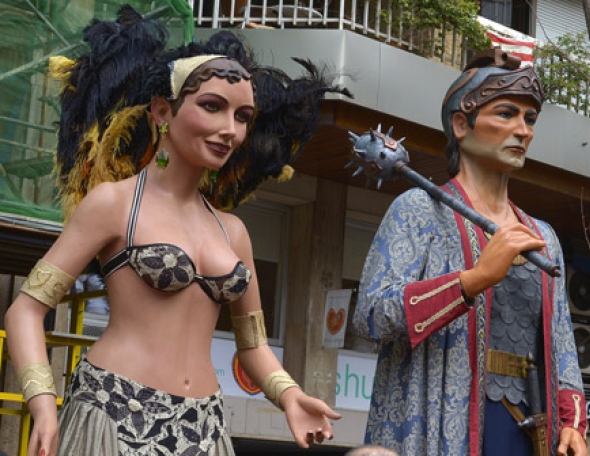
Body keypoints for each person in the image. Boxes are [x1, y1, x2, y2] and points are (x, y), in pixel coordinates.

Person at [5, 6, 350, 456]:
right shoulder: (115, 204)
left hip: (203, 427)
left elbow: (254, 347)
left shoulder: (234, 232)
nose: (230, 129)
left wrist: (289, 394)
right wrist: (44, 403)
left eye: (243, 116)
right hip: (112, 416)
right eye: (212, 107)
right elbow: (25, 310)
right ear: (163, 111)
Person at [352, 48, 588, 456]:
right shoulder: (418, 210)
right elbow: (372, 315)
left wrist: (574, 422)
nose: (523, 130)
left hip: (530, 428)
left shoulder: (544, 236)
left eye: (530, 119)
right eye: (506, 114)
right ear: (461, 124)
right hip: (443, 424)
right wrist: (473, 280)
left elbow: (563, 344)